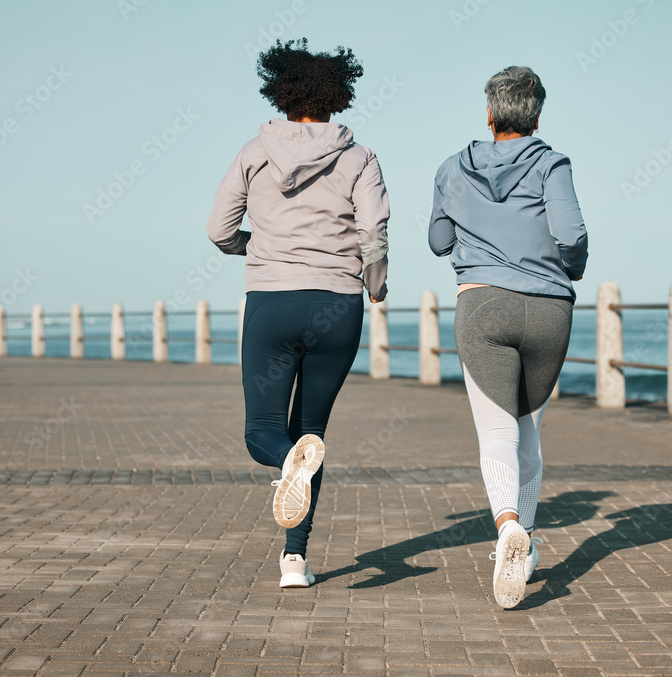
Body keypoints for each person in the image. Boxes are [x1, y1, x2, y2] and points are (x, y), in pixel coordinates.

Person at [206, 39, 389, 589]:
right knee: (309, 436)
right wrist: (375, 286)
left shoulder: (252, 153)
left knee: (264, 433)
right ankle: (294, 559)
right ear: (337, 96)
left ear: (281, 93)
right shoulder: (360, 158)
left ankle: (290, 507)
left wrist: (255, 249)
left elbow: (218, 230)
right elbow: (374, 235)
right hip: (338, 304)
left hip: (272, 303)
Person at [428, 66, 588, 608]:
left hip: (483, 307)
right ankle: (523, 539)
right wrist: (570, 266)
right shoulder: (552, 164)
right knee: (530, 432)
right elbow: (573, 236)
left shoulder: (452, 169)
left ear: (490, 114)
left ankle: (507, 530)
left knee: (497, 432)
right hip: (549, 309)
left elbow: (437, 239)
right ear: (536, 115)